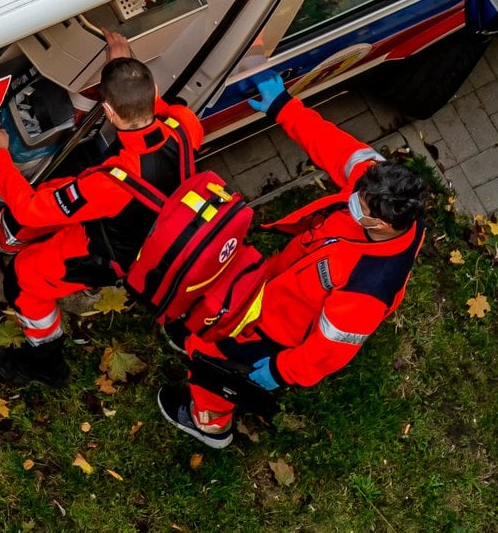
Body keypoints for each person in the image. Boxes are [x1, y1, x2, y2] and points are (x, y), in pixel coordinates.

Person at [158, 72, 427, 448]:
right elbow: (333, 147)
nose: (350, 199)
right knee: (221, 308)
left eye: (357, 205)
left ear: (380, 224)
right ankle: (201, 333)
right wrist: (284, 107)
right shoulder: (381, 189)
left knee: (215, 364)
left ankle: (210, 423)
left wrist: (279, 370)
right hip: (280, 282)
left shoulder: (370, 285)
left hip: (280, 331)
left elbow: (329, 349)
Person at [0, 29, 204, 386]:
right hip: (139, 227)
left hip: (105, 251)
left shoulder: (111, 184)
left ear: (107, 111)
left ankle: (46, 361)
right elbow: (156, 106)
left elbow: (27, 210)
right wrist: (121, 66)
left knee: (23, 280)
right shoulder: (185, 127)